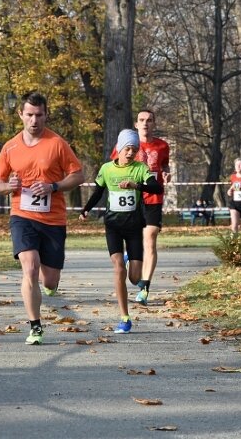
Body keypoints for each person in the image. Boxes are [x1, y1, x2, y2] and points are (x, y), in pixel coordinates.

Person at [0, 92, 85, 345]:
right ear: (20, 115)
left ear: (46, 115)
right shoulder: (10, 147)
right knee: (30, 267)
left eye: (39, 115)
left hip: (53, 219)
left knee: (49, 279)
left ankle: (49, 286)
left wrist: (53, 186)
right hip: (22, 216)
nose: (34, 120)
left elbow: (78, 176)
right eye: (29, 115)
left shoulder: (57, 143)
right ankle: (35, 326)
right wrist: (8, 186)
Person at [80, 129, 162, 334]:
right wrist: (86, 209)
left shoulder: (140, 168)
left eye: (134, 150)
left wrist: (137, 185)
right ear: (119, 148)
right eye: (127, 149)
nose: (130, 153)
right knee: (118, 269)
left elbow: (157, 188)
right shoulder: (107, 169)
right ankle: (124, 318)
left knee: (135, 278)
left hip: (134, 227)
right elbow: (98, 191)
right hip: (113, 226)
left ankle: (130, 258)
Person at [110, 109, 170, 306]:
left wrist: (167, 173)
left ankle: (144, 287)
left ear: (154, 123)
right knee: (136, 246)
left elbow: (165, 165)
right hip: (131, 199)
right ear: (136, 124)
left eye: (149, 120)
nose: (145, 123)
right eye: (142, 120)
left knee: (150, 237)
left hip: (153, 197)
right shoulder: (125, 143)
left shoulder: (162, 146)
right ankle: (132, 259)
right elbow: (113, 166)